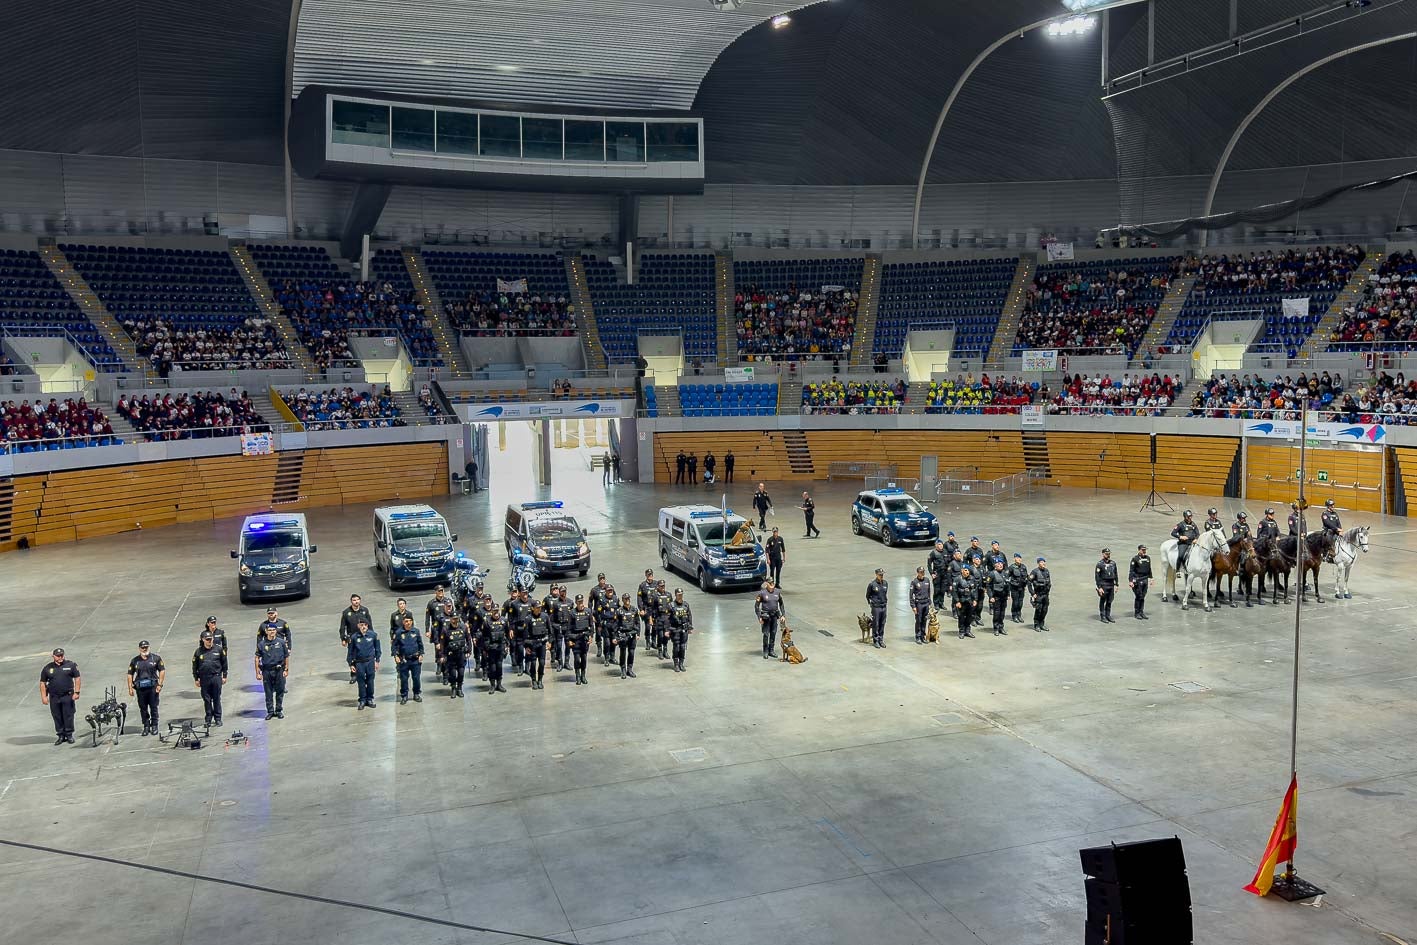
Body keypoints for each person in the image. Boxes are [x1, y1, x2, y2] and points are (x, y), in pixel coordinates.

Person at [40, 648, 81, 745]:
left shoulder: (70, 665)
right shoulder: (47, 668)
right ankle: (61, 735)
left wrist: (77, 692)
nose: (60, 657)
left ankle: (69, 734)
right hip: (54, 697)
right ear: (53, 656)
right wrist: (44, 696)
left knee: (68, 715)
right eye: (58, 656)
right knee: (57, 716)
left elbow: (77, 678)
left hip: (67, 695)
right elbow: (42, 683)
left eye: (61, 655)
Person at [127, 640, 166, 736]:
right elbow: (129, 674)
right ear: (139, 648)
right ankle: (146, 725)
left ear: (149, 647)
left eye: (146, 647)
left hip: (153, 687)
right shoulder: (135, 661)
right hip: (141, 689)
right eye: (143, 647)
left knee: (154, 707)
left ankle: (154, 725)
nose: (145, 649)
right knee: (143, 708)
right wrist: (130, 688)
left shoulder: (155, 658)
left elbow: (162, 670)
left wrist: (160, 684)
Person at [255, 623, 290, 720]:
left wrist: (286, 669)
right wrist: (257, 672)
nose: (272, 632)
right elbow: (257, 658)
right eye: (269, 630)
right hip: (267, 671)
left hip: (279, 670)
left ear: (276, 631)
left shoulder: (281, 642)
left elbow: (286, 656)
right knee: (268, 692)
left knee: (280, 691)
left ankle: (278, 710)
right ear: (266, 631)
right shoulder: (261, 644)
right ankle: (270, 711)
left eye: (273, 630)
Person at [193, 630, 228, 727]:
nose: (209, 641)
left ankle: (218, 718)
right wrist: (196, 678)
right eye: (207, 639)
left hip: (216, 677)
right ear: (203, 640)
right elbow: (194, 666)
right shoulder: (198, 652)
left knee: (217, 698)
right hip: (204, 679)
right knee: (207, 699)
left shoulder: (219, 650)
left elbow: (224, 663)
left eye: (211, 639)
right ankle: (208, 718)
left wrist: (224, 676)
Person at [347, 618, 381, 709]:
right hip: (359, 663)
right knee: (361, 682)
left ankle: (369, 699)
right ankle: (362, 700)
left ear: (367, 625)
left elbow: (378, 649)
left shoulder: (373, 635)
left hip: (370, 662)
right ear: (358, 626)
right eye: (361, 625)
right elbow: (350, 652)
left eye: (365, 625)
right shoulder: (354, 637)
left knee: (370, 681)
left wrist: (377, 661)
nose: (363, 627)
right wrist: (351, 664)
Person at [339, 594, 373, 685]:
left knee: (365, 654)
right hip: (352, 638)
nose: (356, 601)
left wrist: (372, 635)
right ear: (351, 601)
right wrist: (343, 638)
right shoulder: (346, 612)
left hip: (364, 637)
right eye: (354, 600)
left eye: (358, 599)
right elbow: (342, 627)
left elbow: (369, 624)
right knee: (353, 656)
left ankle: (366, 673)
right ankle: (354, 674)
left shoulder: (365, 611)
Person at [392, 614, 425, 702]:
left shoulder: (416, 631)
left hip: (415, 659)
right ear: (403, 622)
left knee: (416, 678)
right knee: (404, 679)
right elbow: (394, 646)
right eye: (406, 621)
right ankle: (404, 695)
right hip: (404, 660)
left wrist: (421, 654)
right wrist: (395, 656)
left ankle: (416, 694)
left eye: (409, 621)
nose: (408, 623)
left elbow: (420, 644)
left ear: (412, 621)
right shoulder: (399, 632)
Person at [523, 601, 551, 690]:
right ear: (533, 608)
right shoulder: (528, 618)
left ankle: (540, 680)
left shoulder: (545, 616)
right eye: (537, 607)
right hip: (532, 644)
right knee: (533, 664)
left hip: (542, 644)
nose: (539, 609)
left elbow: (550, 631)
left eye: (540, 607)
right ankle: (534, 680)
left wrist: (549, 642)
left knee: (542, 663)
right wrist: (526, 647)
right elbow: (524, 635)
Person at [567, 595, 594, 685]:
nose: (581, 603)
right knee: (577, 659)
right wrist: (569, 640)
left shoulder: (588, 611)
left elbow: (591, 625)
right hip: (576, 638)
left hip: (585, 639)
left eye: (582, 601)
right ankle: (577, 676)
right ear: (576, 602)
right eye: (579, 602)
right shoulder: (572, 613)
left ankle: (583, 675)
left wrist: (591, 636)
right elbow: (568, 628)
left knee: (584, 658)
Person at [755, 579, 785, 658]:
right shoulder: (762, 593)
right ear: (766, 584)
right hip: (766, 617)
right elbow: (756, 606)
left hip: (774, 616)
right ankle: (765, 650)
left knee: (773, 632)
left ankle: (771, 650)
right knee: (766, 634)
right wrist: (759, 617)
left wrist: (783, 615)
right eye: (770, 583)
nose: (772, 585)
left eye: (773, 583)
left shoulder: (777, 592)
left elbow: (781, 604)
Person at [482, 609, 508, 694]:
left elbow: (507, 633)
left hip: (500, 647)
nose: (496, 614)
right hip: (491, 648)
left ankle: (499, 684)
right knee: (492, 667)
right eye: (494, 612)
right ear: (492, 612)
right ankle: (492, 685)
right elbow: (484, 636)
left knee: (499, 666)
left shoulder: (504, 620)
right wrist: (486, 648)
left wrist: (507, 646)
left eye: (497, 612)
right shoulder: (487, 622)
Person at [667, 588, 693, 672]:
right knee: (676, 647)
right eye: (678, 594)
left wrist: (690, 627)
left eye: (681, 594)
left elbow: (689, 616)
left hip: (684, 629)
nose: (680, 596)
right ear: (675, 595)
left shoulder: (686, 605)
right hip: (675, 629)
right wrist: (667, 630)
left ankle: (681, 663)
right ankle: (676, 664)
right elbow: (667, 619)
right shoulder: (671, 605)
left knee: (682, 647)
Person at [615, 592, 639, 679]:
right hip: (623, 634)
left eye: (628, 598)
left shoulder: (634, 610)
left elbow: (637, 622)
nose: (627, 600)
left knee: (631, 652)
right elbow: (616, 625)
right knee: (623, 653)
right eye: (625, 599)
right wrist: (615, 637)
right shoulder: (619, 611)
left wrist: (638, 633)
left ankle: (630, 669)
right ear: (622, 600)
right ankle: (623, 670)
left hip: (632, 634)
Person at [951, 566, 976, 639]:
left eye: (968, 571)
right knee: (961, 617)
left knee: (969, 617)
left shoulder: (972, 578)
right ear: (962, 571)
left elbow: (975, 590)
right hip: (961, 601)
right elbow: (954, 591)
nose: (967, 572)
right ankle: (961, 631)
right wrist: (957, 601)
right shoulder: (957, 579)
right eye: (965, 570)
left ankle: (967, 631)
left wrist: (975, 599)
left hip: (970, 601)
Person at [1128, 544, 1152, 620]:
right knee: (1138, 596)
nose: (1144, 551)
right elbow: (1131, 571)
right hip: (1138, 579)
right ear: (1139, 550)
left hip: (1145, 579)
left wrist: (1151, 578)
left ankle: (1141, 612)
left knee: (1143, 596)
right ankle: (1137, 612)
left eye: (1145, 550)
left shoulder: (1148, 558)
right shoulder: (1135, 559)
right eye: (1142, 550)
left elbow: (1149, 569)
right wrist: (1131, 581)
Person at [866, 568, 889, 648]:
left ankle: (880, 639)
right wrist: (872, 604)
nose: (881, 576)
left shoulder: (885, 583)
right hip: (876, 607)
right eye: (880, 574)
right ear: (876, 575)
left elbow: (885, 594)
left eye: (882, 574)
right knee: (876, 624)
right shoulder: (872, 584)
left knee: (882, 623)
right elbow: (867, 596)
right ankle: (875, 640)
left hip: (883, 606)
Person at [637, 569, 659, 652]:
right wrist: (641, 609)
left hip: (655, 608)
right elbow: (639, 598)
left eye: (651, 575)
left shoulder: (656, 584)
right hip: (647, 608)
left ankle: (654, 641)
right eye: (649, 575)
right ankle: (647, 642)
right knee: (647, 626)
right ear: (646, 575)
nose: (650, 576)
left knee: (655, 626)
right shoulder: (642, 585)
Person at [1095, 548, 1118, 623]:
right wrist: (1099, 587)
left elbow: (1115, 574)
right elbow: (1097, 576)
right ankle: (1102, 616)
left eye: (1109, 554)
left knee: (1110, 600)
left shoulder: (1113, 563)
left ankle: (1108, 615)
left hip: (1111, 584)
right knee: (1103, 600)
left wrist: (1116, 584)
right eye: (1106, 554)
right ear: (1103, 554)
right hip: (1104, 584)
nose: (1108, 555)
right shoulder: (1100, 564)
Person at [987, 560, 1010, 635]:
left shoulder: (1005, 573)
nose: (1000, 565)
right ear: (995, 566)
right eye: (998, 564)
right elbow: (988, 586)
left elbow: (1007, 585)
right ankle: (996, 628)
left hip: (1004, 597)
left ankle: (1001, 627)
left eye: (1001, 564)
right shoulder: (992, 574)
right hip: (996, 597)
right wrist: (991, 596)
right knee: (996, 613)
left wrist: (1008, 595)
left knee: (1002, 613)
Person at [909, 566, 931, 644]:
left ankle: (923, 636)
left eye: (923, 572)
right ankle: (918, 636)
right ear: (918, 573)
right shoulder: (914, 582)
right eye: (921, 572)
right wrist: (913, 606)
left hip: (926, 603)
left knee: (924, 620)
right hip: (919, 604)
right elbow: (911, 595)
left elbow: (929, 592)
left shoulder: (927, 580)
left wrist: (929, 603)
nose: (922, 573)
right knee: (919, 620)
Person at [1028, 558, 1051, 632]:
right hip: (1038, 594)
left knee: (1044, 610)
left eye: (1044, 562)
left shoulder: (1047, 571)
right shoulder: (1034, 572)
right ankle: (1036, 624)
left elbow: (1049, 582)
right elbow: (1029, 583)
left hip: (1045, 594)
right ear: (1038, 563)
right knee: (1038, 610)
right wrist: (1032, 593)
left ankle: (1042, 624)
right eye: (1041, 562)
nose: (1043, 563)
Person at [926, 540, 950, 610]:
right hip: (937, 574)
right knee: (937, 590)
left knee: (943, 590)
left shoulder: (945, 552)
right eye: (939, 544)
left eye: (941, 544)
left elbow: (948, 561)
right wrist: (932, 573)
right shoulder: (933, 553)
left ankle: (941, 603)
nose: (941, 546)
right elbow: (929, 564)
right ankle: (936, 604)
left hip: (944, 574)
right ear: (936, 545)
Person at [1006, 553, 1029, 623]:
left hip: (1022, 588)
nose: (1018, 560)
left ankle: (1019, 615)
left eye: (1019, 558)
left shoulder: (1023, 567)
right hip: (1014, 588)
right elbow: (1006, 576)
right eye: (1017, 558)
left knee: (1020, 602)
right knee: (1015, 602)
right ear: (1014, 559)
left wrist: (1026, 584)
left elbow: (1026, 576)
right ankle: (1014, 615)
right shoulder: (1011, 567)